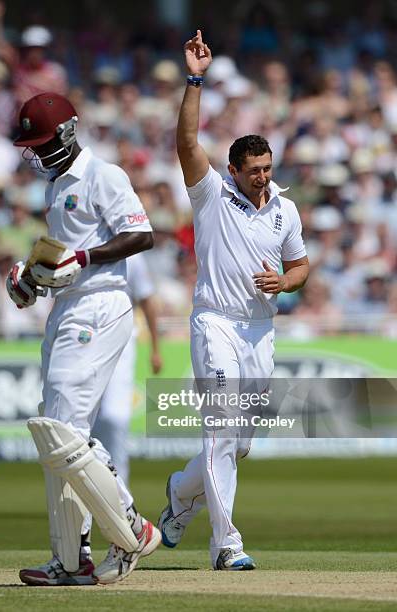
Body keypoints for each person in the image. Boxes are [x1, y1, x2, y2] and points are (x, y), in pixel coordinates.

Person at [157, 31, 309, 571]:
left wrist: (285, 285)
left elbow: (300, 266)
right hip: (215, 324)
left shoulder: (285, 209)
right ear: (234, 171)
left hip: (260, 331)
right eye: (254, 171)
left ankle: (179, 495)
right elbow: (186, 143)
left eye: (268, 168)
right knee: (220, 430)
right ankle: (227, 545)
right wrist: (195, 79)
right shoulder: (211, 194)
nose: (264, 177)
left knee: (237, 445)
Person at [6, 92, 161, 586]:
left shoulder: (104, 174)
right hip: (66, 309)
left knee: (61, 432)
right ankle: (71, 561)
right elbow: (61, 255)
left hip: (100, 305)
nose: (34, 154)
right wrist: (31, 278)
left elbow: (142, 235)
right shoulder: (55, 189)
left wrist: (86, 259)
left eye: (41, 142)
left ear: (68, 132)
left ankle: (132, 527)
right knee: (57, 432)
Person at [93, 251, 162, 484]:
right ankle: (88, 489)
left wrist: (155, 348)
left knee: (115, 417)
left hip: (122, 344)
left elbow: (147, 301)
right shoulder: (82, 244)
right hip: (84, 343)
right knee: (86, 422)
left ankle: (119, 492)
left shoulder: (132, 257)